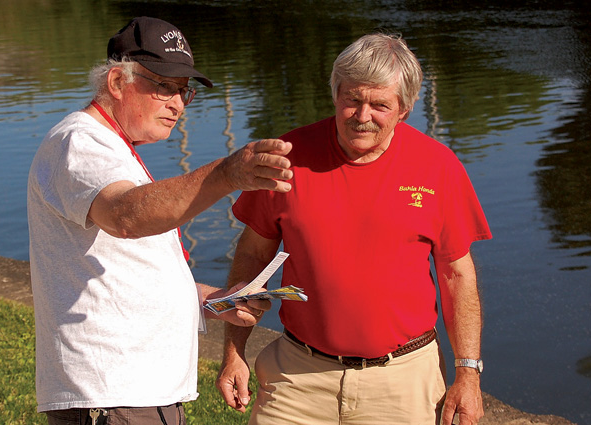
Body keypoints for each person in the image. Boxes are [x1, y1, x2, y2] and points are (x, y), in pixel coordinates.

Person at [27, 16, 294, 425]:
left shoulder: (113, 149)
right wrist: (226, 175)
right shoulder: (80, 143)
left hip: (136, 394)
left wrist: (212, 300)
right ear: (117, 82)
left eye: (184, 92)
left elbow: (124, 273)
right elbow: (124, 216)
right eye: (164, 87)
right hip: (113, 395)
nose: (178, 104)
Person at [216, 33, 492, 425]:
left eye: (379, 104)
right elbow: (253, 255)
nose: (362, 116)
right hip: (297, 375)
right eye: (352, 99)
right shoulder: (287, 159)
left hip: (403, 380)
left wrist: (467, 371)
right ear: (335, 94)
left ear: (405, 109)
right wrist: (233, 353)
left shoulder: (438, 167)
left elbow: (457, 275)